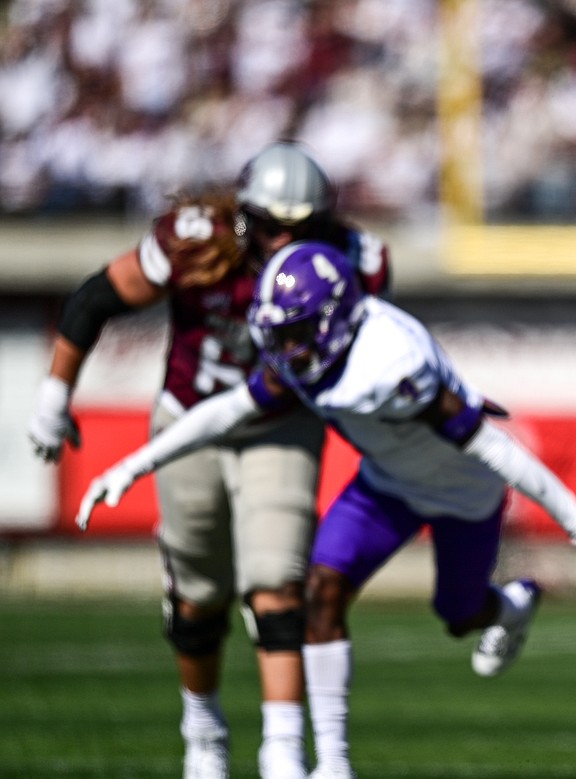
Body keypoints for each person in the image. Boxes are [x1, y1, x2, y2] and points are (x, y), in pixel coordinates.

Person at [74, 240, 576, 779]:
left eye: (297, 332)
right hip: (385, 485)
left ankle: (511, 604)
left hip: (463, 494)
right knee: (321, 591)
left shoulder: (394, 362)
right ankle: (333, 763)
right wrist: (138, 463)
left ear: (334, 319)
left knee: (458, 615)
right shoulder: (309, 356)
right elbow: (229, 409)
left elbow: (493, 446)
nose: (286, 349)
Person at [28, 143, 391, 779]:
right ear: (246, 216)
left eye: (303, 229)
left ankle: (283, 749)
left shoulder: (354, 258)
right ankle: (204, 727)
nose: (288, 241)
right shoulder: (196, 241)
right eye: (276, 226)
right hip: (188, 418)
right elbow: (93, 300)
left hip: (280, 423)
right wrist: (56, 394)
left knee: (277, 581)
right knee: (196, 597)